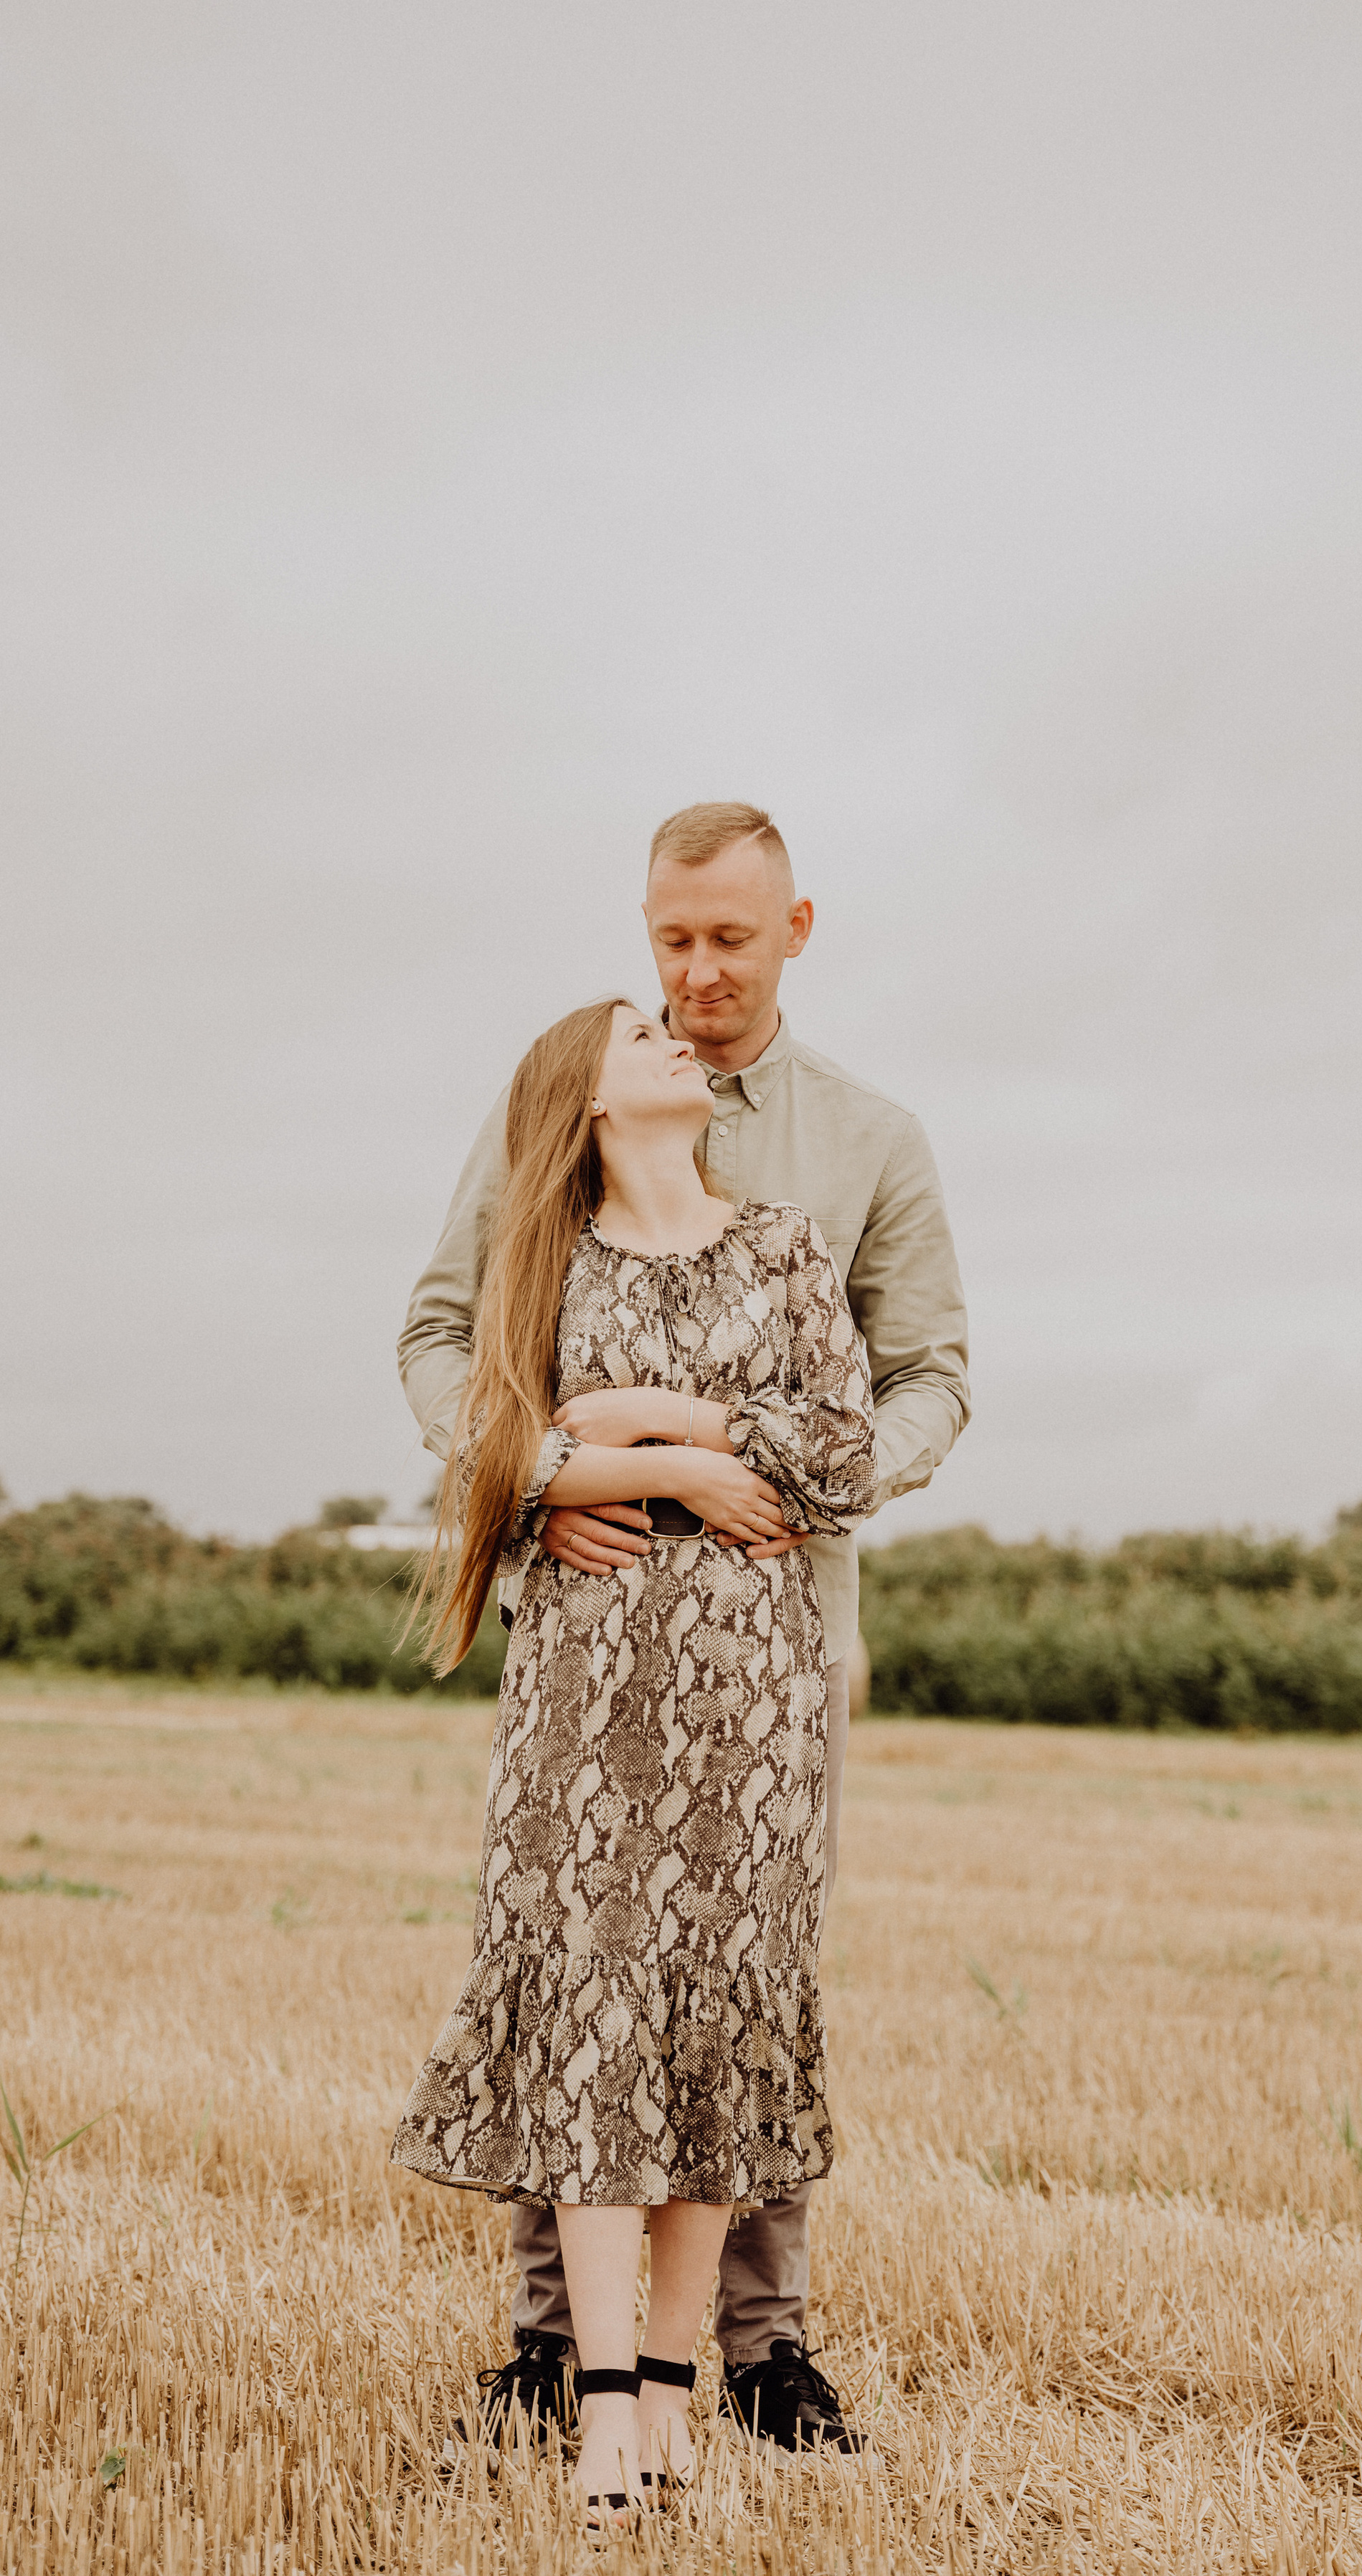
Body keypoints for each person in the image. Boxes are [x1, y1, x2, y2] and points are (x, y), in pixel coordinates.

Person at [397, 801, 969, 2464]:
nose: (695, 970)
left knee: (742, 1972)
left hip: (782, 1632)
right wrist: (536, 1476)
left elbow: (923, 1371)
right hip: (584, 1618)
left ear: (795, 930)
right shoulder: (560, 1103)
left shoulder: (868, 1141)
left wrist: (799, 1487)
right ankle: (550, 2345)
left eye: (727, 937)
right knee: (577, 1961)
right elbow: (452, 1330)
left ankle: (760, 2344)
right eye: (669, 939)